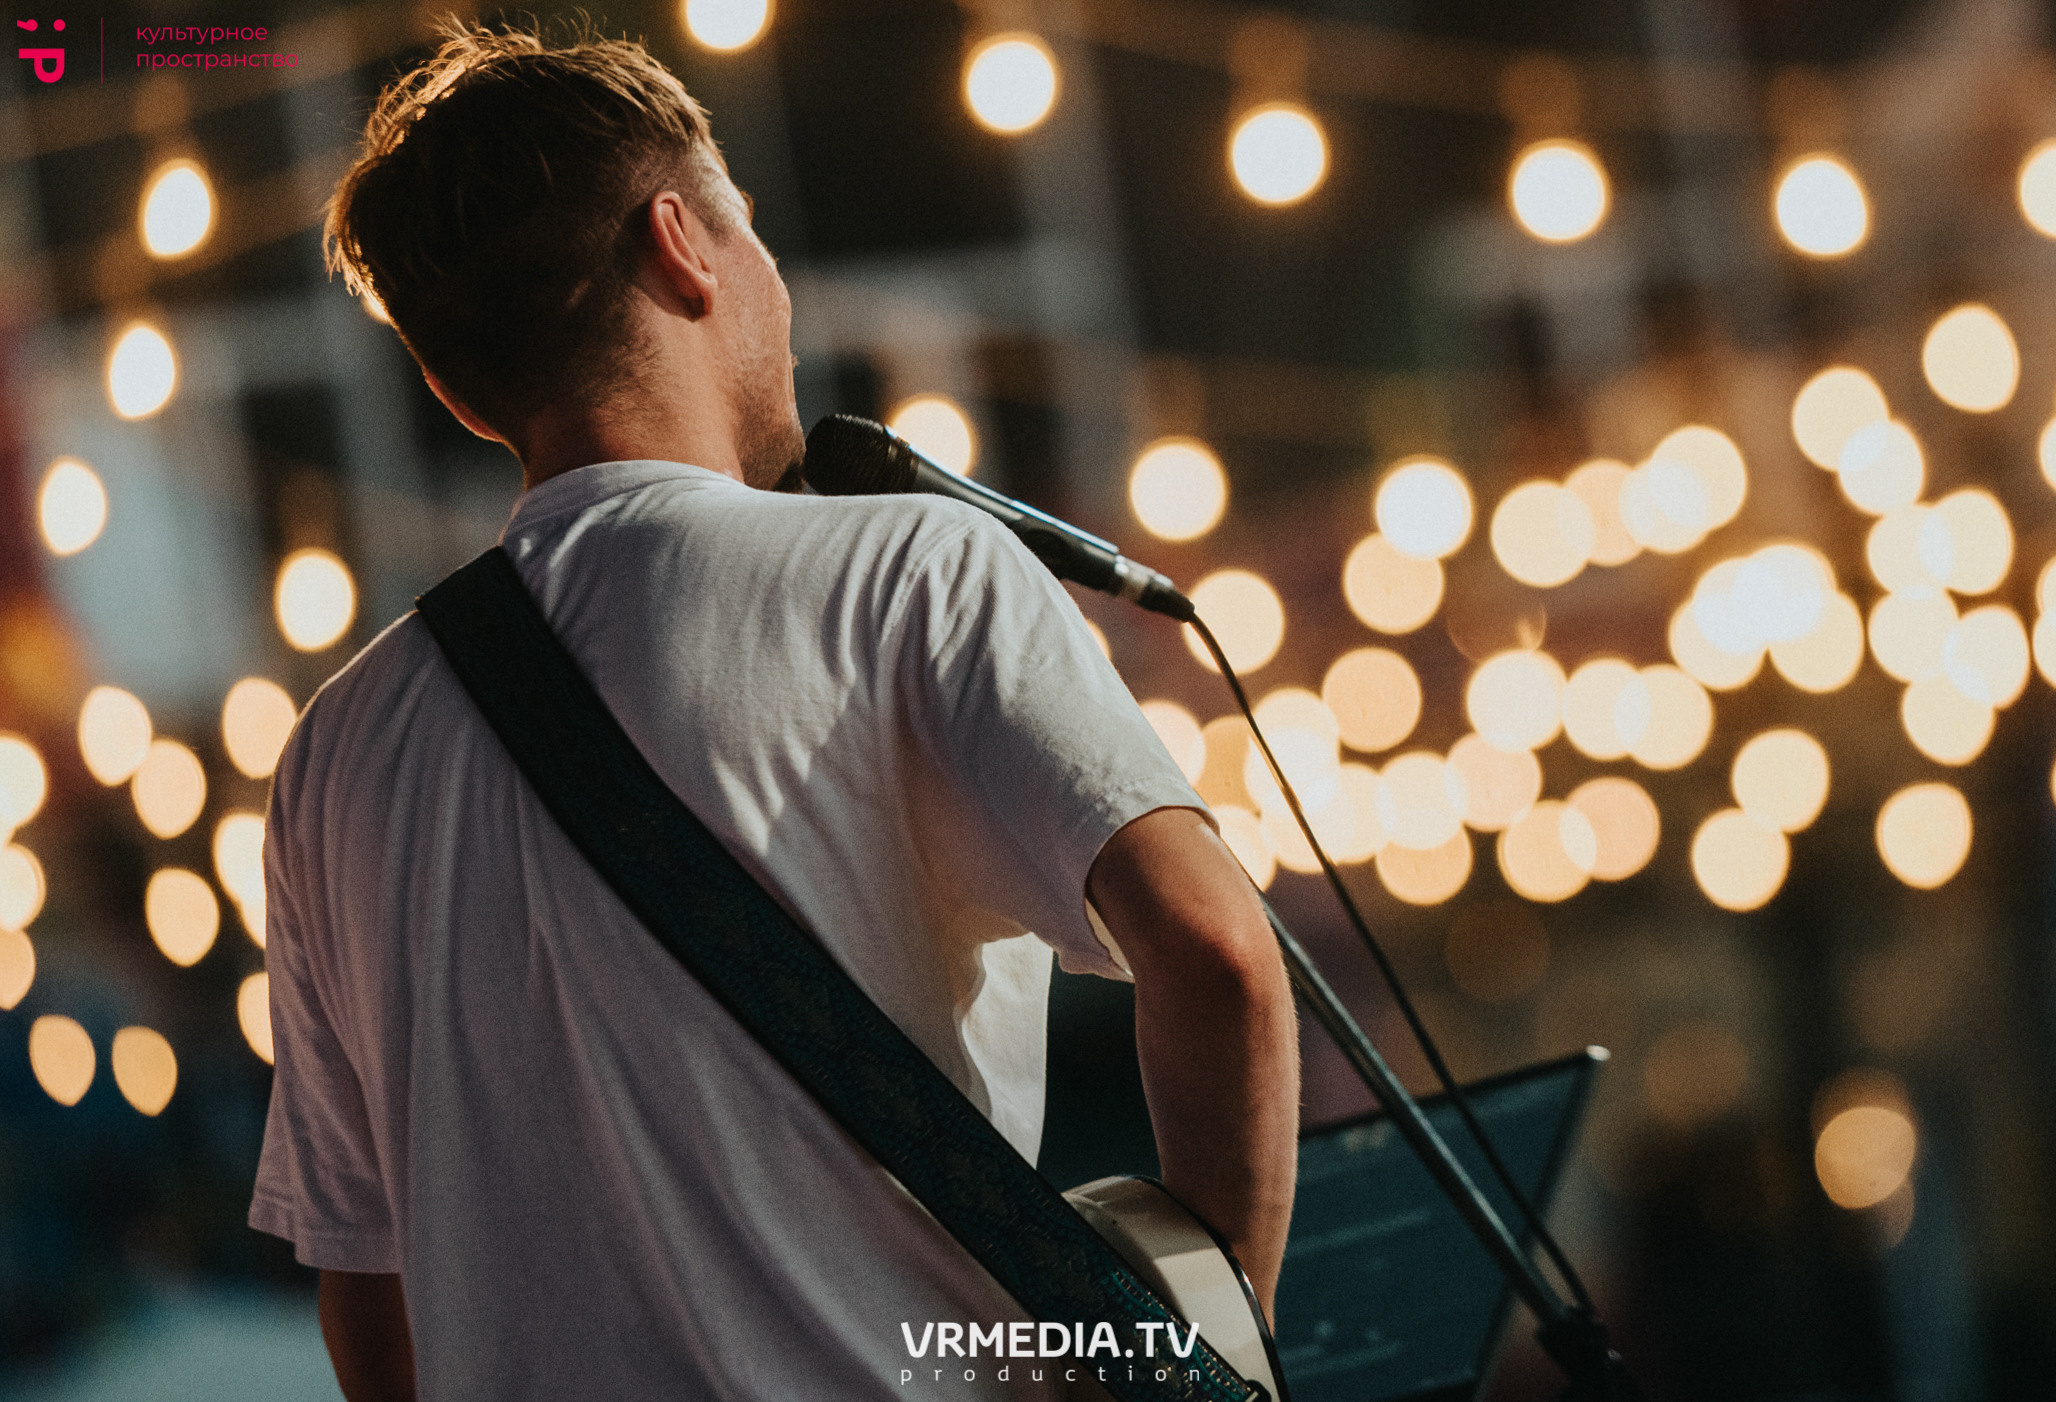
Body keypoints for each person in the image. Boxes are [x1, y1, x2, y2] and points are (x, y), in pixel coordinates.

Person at [249, 21, 1298, 1401]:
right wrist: (1196, 1349)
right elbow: (1218, 949)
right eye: (749, 231)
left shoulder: (335, 753)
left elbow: (368, 1289)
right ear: (684, 242)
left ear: (451, 385)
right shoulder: (911, 571)